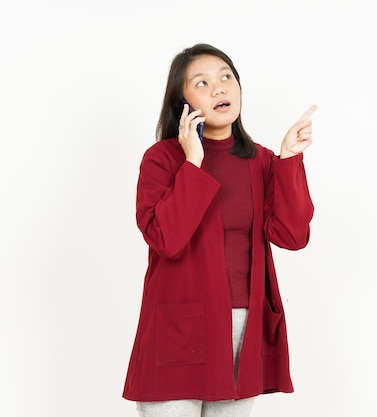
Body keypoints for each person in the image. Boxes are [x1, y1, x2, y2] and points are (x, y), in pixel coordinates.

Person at [122, 43, 316, 417]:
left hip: (243, 329)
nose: (219, 87)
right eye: (203, 82)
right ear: (183, 102)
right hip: (179, 332)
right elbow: (166, 239)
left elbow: (292, 236)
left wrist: (289, 159)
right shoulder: (162, 160)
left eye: (226, 76)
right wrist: (192, 162)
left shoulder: (260, 160)